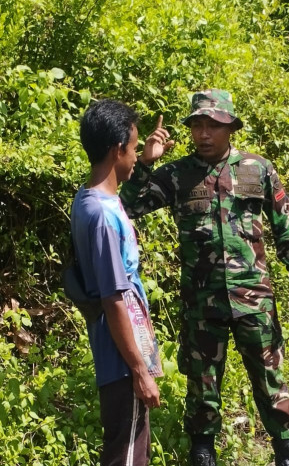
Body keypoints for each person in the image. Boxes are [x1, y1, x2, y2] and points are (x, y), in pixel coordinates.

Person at [119, 89, 289, 466]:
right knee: (202, 385)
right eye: (197, 126)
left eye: (213, 126)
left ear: (231, 128)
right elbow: (128, 205)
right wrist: (145, 162)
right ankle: (203, 452)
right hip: (201, 302)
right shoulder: (176, 175)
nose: (204, 134)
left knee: (269, 378)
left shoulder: (258, 168)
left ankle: (286, 450)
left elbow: (284, 225)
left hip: (254, 297)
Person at [70, 99, 162, 466]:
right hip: (122, 359)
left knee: (128, 449)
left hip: (119, 351)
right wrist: (140, 370)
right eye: (135, 148)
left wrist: (149, 162)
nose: (136, 155)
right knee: (126, 455)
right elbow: (114, 298)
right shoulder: (104, 218)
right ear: (116, 149)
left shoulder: (89, 199)